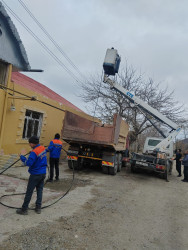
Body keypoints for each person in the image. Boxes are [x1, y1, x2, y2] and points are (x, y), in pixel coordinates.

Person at [16, 136, 47, 215]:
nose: (29, 145)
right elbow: (38, 157)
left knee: (29, 191)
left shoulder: (34, 152)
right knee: (39, 190)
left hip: (35, 174)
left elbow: (29, 163)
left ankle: (24, 209)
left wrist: (23, 158)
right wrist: (32, 152)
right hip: (43, 173)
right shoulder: (42, 148)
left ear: (33, 143)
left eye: (30, 143)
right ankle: (38, 208)